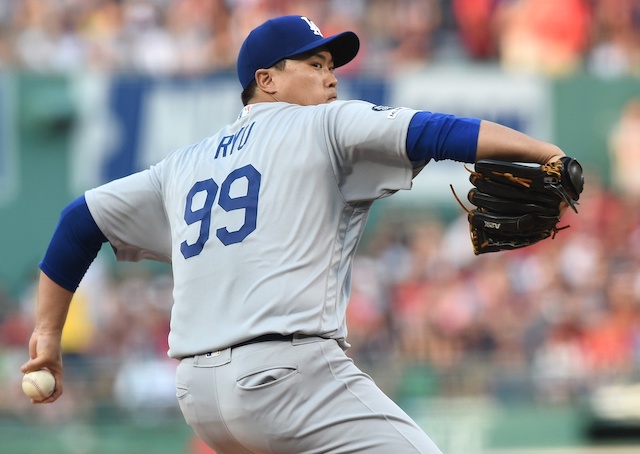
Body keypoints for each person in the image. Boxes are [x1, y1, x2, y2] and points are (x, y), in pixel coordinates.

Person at [21, 15, 569, 454]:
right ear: (267, 80)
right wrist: (545, 153)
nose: (331, 76)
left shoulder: (180, 165)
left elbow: (77, 221)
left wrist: (47, 337)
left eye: (331, 64)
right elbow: (436, 130)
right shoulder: (323, 123)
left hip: (199, 396)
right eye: (315, 63)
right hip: (288, 378)